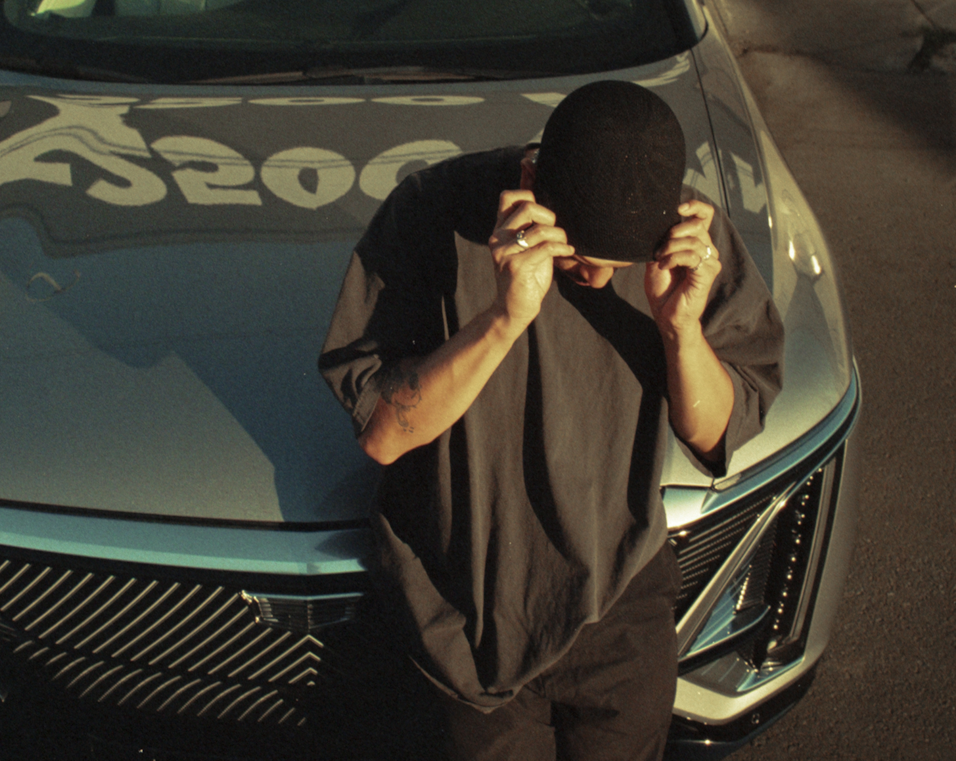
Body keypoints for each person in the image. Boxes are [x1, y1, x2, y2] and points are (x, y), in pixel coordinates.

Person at [318, 80, 784, 760]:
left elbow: (716, 432)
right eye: (579, 253)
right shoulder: (431, 212)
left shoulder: (688, 239)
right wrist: (504, 319)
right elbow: (385, 433)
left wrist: (681, 328)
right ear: (532, 179)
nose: (592, 275)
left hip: (619, 595)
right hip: (467, 608)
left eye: (616, 262)